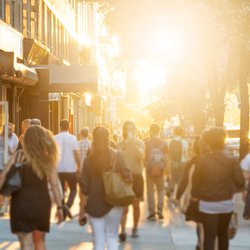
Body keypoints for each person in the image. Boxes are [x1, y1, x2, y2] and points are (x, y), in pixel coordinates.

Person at [0, 125, 64, 250]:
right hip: (42, 204)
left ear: (26, 140)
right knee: (40, 241)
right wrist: (60, 207)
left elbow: (3, 177)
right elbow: (55, 185)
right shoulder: (48, 159)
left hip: (20, 204)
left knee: (26, 244)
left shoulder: (18, 156)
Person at [79, 127, 132, 250]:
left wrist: (82, 210)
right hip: (115, 202)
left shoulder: (88, 160)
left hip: (94, 205)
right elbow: (128, 176)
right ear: (108, 139)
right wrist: (125, 204)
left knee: (98, 240)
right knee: (112, 238)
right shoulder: (116, 156)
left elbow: (84, 188)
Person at [192, 127, 245, 250]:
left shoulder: (202, 161)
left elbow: (195, 184)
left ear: (209, 143)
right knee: (223, 234)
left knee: (209, 235)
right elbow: (240, 181)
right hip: (226, 202)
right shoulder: (231, 161)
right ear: (224, 142)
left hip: (207, 203)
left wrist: (196, 196)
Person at [117, 120, 144, 240]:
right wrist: (126, 145)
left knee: (136, 205)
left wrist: (133, 144)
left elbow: (142, 156)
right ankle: (122, 231)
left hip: (137, 177)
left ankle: (135, 227)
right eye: (127, 129)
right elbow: (118, 159)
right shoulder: (120, 144)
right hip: (124, 178)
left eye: (131, 129)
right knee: (124, 206)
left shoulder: (140, 143)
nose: (129, 132)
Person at [54, 119, 80, 219]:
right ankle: (67, 206)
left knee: (60, 190)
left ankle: (62, 208)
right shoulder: (73, 138)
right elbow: (76, 153)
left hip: (58, 168)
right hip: (71, 168)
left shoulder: (55, 138)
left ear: (60, 126)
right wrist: (79, 166)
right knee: (73, 189)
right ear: (68, 126)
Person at [144, 124, 167, 220]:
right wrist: (166, 169)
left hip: (149, 170)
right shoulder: (164, 143)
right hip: (161, 170)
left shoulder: (147, 143)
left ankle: (152, 212)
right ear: (159, 131)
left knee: (150, 191)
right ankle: (160, 210)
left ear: (150, 131)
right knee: (161, 190)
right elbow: (166, 157)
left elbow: (144, 157)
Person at [168, 126, 188, 200]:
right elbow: (186, 154)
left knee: (172, 178)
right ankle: (177, 196)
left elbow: (168, 153)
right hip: (181, 162)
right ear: (182, 133)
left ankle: (171, 190)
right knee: (180, 179)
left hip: (172, 162)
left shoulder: (169, 141)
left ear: (174, 132)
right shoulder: (184, 142)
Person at [78, 127, 91, 223]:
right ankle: (86, 203)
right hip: (88, 170)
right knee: (88, 188)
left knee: (81, 189)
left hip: (80, 170)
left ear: (81, 134)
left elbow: (76, 157)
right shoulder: (91, 144)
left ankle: (81, 202)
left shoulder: (78, 144)